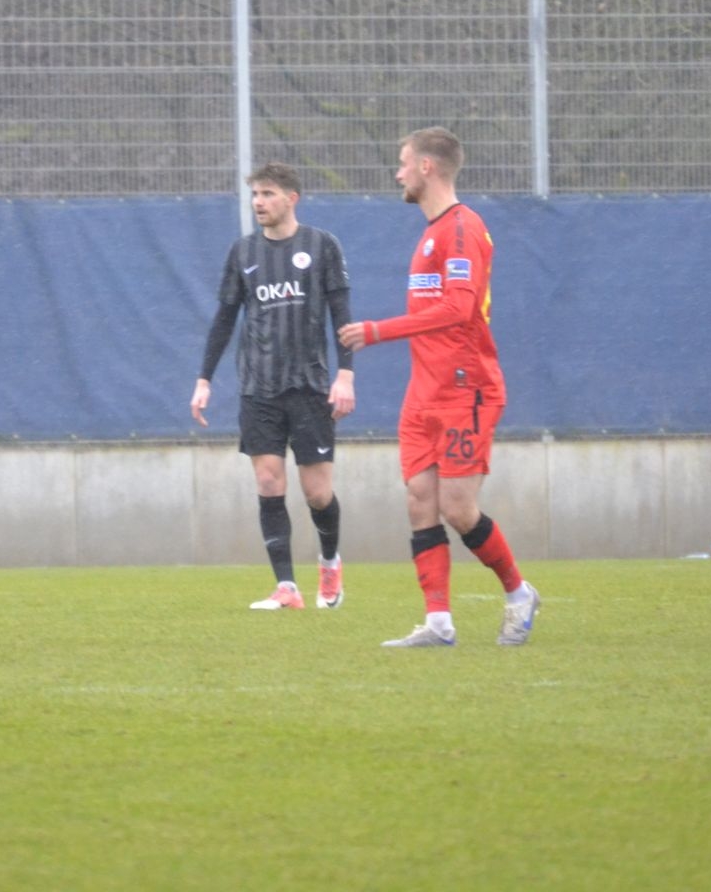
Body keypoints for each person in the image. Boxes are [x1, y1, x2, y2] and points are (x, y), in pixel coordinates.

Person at [337, 128, 539, 648]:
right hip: (423, 392)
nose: (398, 173)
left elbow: (459, 308)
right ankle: (438, 622)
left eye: (403, 163)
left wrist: (378, 331)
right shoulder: (432, 232)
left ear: (427, 167)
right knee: (419, 500)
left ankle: (519, 593)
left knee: (457, 507)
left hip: (466, 389)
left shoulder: (462, 228)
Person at [193, 163, 357, 609]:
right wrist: (204, 379)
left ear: (291, 198)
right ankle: (287, 587)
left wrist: (345, 374)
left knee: (317, 493)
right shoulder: (243, 252)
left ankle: (329, 563)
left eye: (267, 194)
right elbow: (224, 319)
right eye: (255, 195)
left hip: (309, 386)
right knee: (268, 481)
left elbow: (341, 316)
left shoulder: (321, 246)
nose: (258, 202)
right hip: (258, 388)